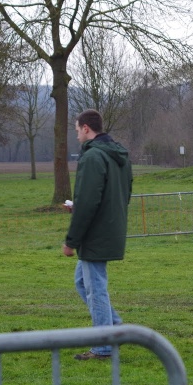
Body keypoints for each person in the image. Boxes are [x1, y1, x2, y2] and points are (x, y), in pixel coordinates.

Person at [62, 109, 132, 360]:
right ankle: (116, 327)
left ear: (86, 128)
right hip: (111, 227)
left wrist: (71, 240)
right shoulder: (118, 154)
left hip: (95, 232)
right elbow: (124, 192)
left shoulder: (92, 157)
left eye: (77, 128)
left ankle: (103, 346)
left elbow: (88, 201)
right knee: (83, 282)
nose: (76, 133)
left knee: (95, 289)